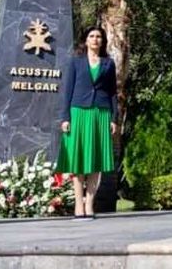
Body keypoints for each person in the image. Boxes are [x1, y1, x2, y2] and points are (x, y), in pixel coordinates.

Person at [55, 26, 118, 219]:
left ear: (103, 41)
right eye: (92, 36)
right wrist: (65, 117)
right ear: (86, 40)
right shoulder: (76, 62)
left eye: (99, 36)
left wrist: (114, 118)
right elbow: (67, 91)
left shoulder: (109, 63)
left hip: (101, 113)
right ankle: (78, 205)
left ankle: (89, 205)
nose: (95, 39)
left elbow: (113, 93)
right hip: (79, 113)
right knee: (78, 161)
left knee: (95, 162)